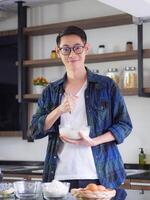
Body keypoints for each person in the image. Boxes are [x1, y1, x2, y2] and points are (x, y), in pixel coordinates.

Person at [30, 26, 132, 189]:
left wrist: (94, 141)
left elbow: (125, 125)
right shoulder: (50, 91)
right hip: (59, 177)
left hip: (101, 175)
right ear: (58, 52)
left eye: (77, 48)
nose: (72, 54)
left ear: (86, 48)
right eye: (66, 49)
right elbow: (35, 130)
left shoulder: (106, 85)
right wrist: (59, 110)